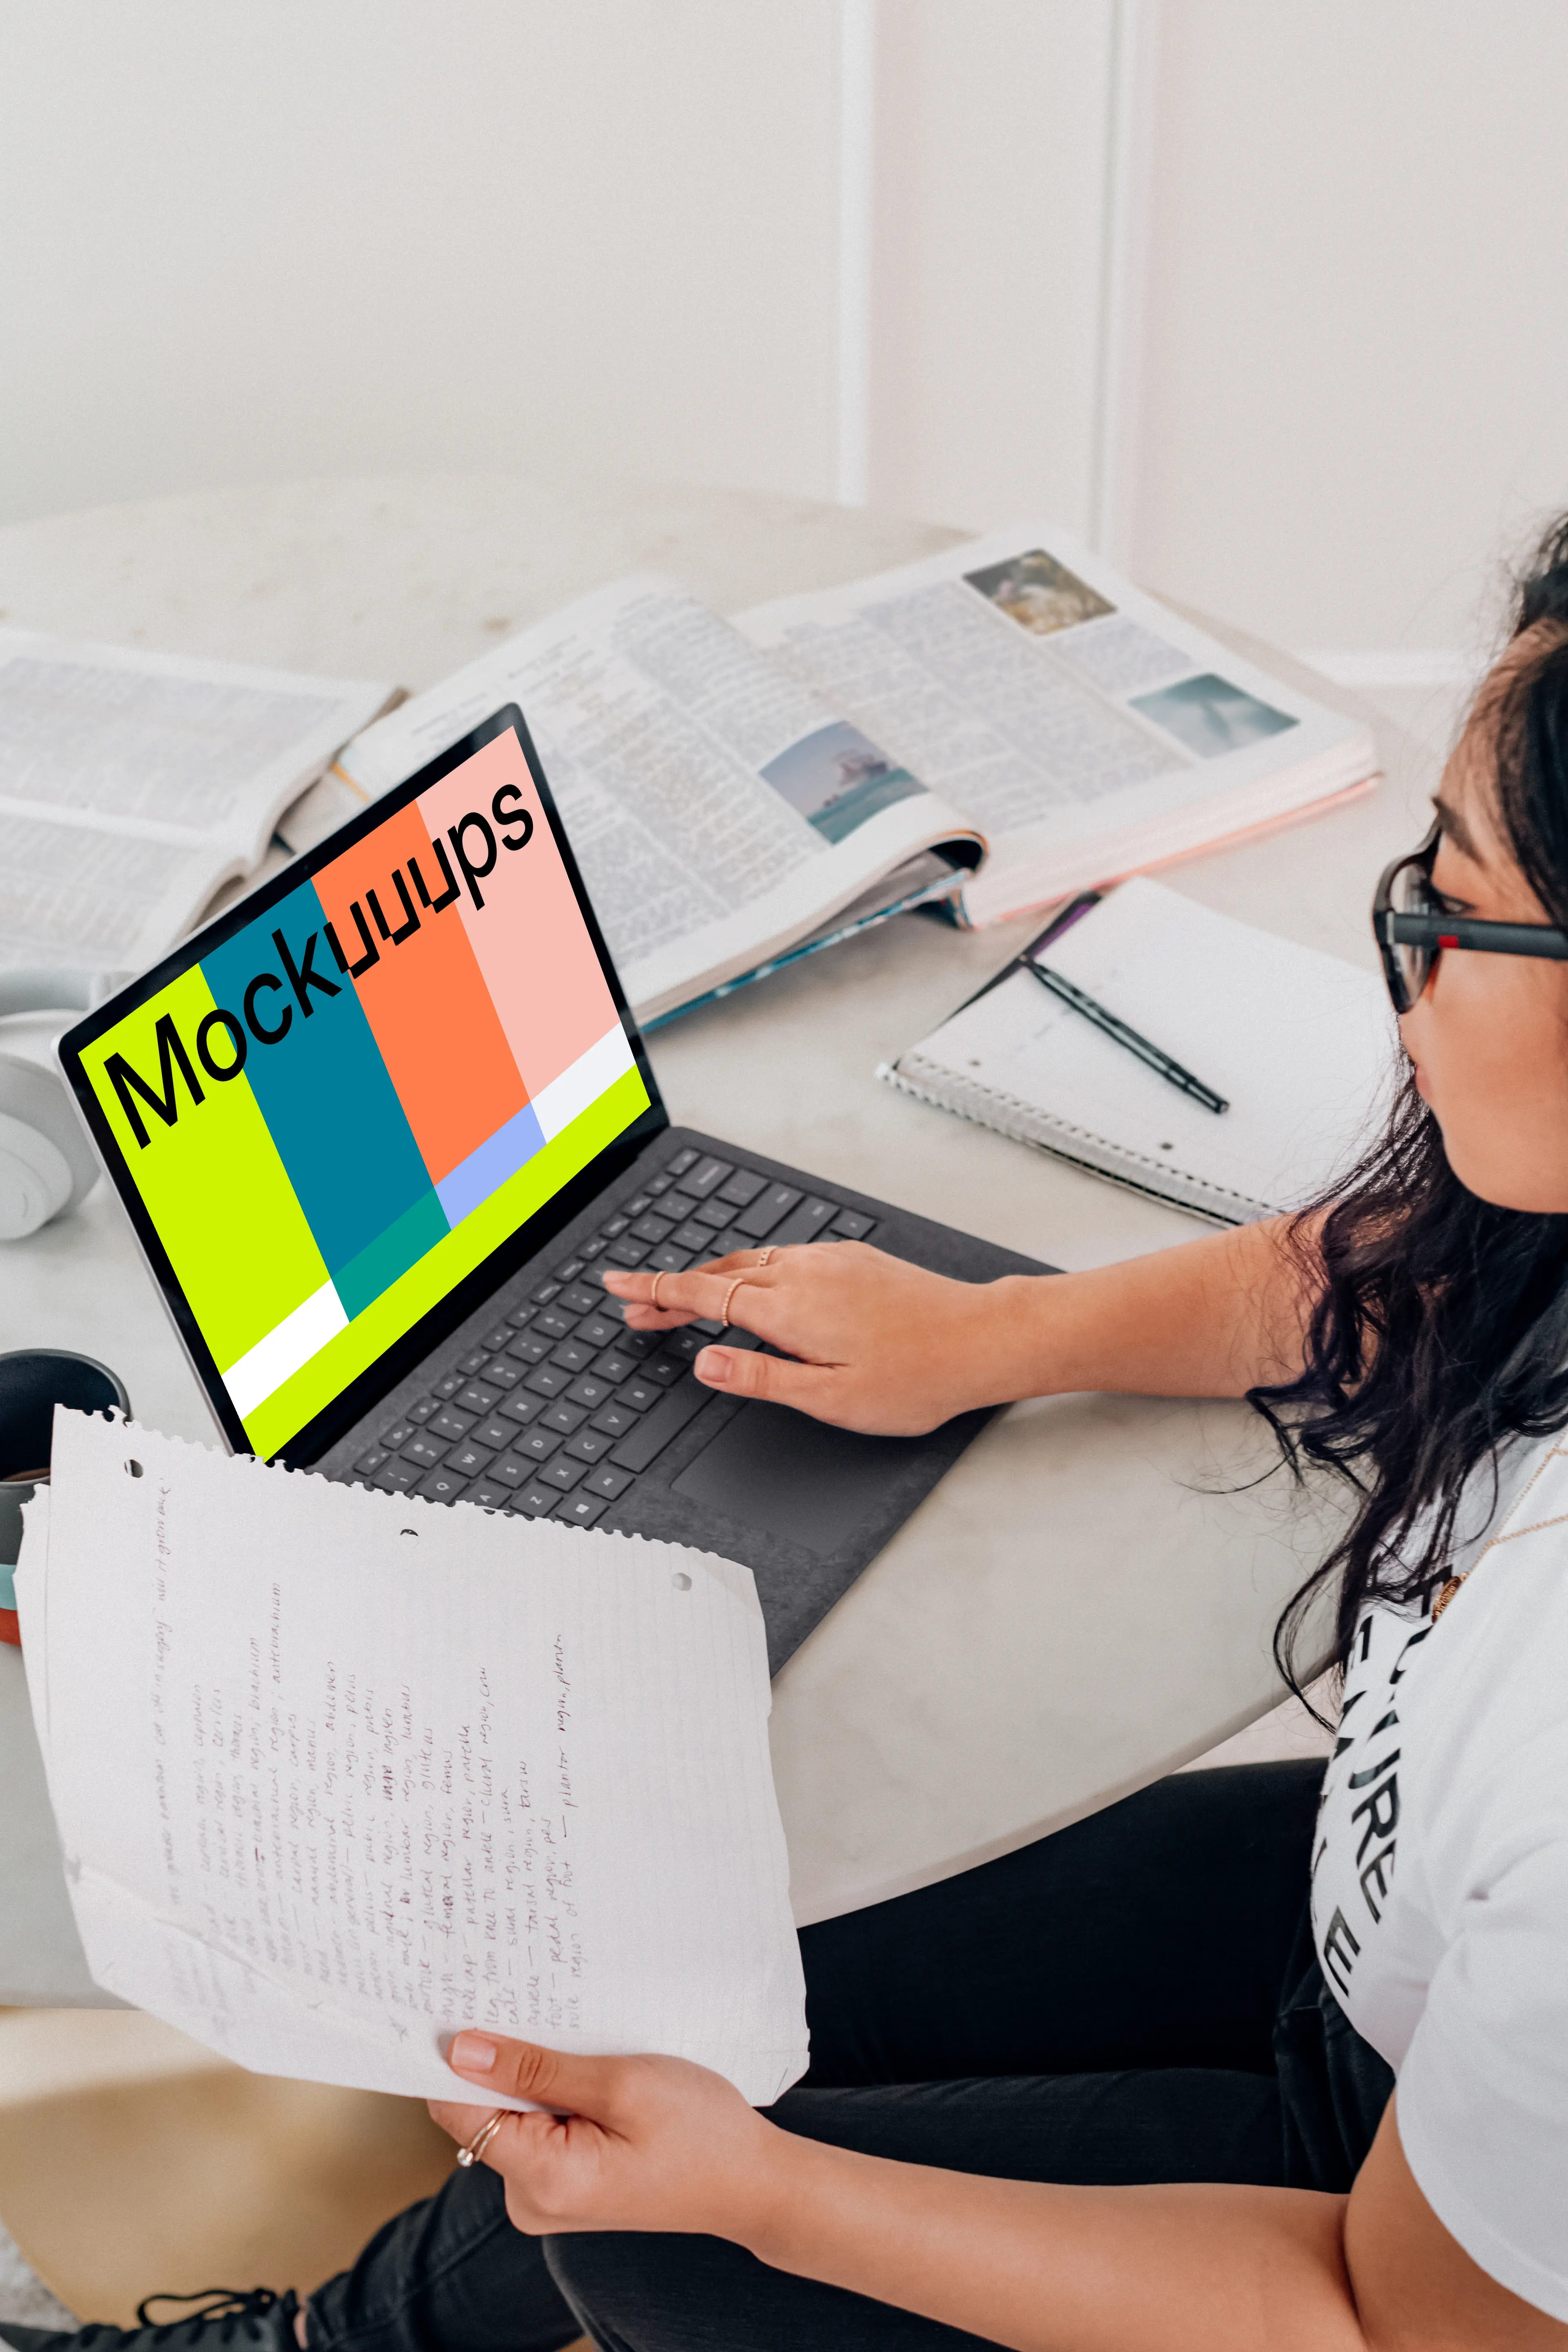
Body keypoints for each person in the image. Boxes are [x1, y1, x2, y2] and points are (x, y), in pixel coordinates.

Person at [10, 523, 1568, 2352]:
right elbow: (1399, 1281)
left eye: (1450, 907)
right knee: (658, 1990)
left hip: (1386, 2234)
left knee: (652, 2239)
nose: (1404, 967)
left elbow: (1398, 2328)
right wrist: (989, 1336)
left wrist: (761, 2192)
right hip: (1376, 1941)